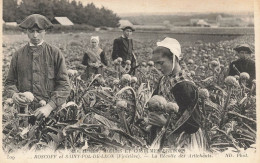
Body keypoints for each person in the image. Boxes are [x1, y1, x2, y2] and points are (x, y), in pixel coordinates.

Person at [4, 14, 71, 120]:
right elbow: (9, 83)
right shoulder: (18, 54)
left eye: (39, 31)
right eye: (31, 31)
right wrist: (13, 95)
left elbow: (64, 85)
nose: (35, 35)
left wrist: (49, 107)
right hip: (23, 114)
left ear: (45, 31)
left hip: (52, 115)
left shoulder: (55, 53)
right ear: (26, 31)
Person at [149, 37, 206, 150]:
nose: (158, 67)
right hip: (166, 136)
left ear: (174, 58)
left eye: (161, 63)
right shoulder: (164, 79)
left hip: (183, 140)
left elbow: (193, 124)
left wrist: (166, 123)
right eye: (156, 63)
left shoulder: (184, 85)